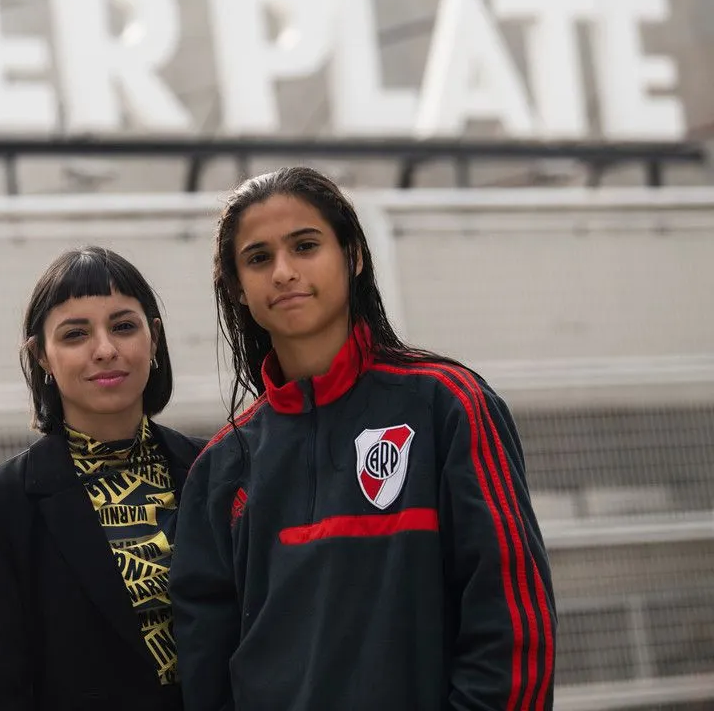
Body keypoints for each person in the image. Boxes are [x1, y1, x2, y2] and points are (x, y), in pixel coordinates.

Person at [171, 167, 556, 711]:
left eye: (305, 246)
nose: (283, 272)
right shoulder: (221, 467)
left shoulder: (447, 403)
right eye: (258, 258)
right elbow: (207, 672)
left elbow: (513, 621)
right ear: (237, 287)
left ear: (351, 256)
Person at [0, 245, 204, 711]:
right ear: (42, 358)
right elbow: (1, 687)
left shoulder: (211, 468)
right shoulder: (4, 501)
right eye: (75, 335)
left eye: (123, 326)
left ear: (154, 339)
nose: (106, 349)